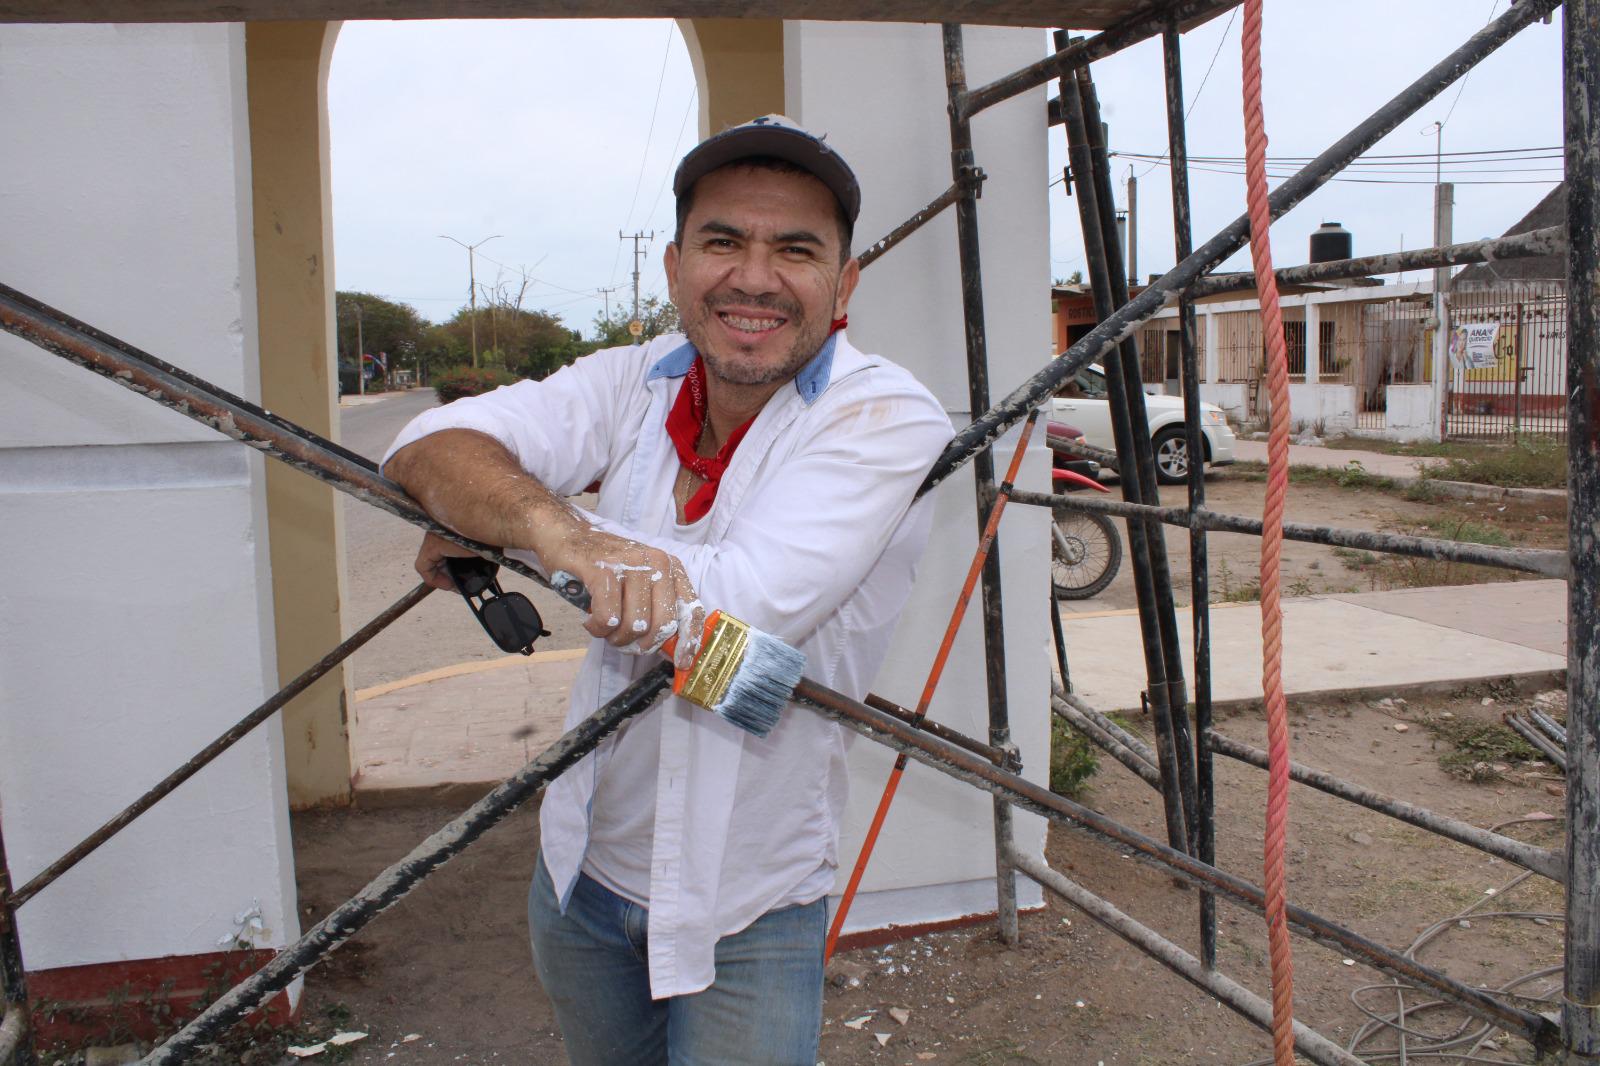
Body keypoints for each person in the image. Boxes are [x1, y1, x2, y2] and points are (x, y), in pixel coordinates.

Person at [382, 114, 952, 1065]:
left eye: (796, 250)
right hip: (581, 878)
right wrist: (547, 522)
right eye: (723, 241)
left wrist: (519, 529)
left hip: (750, 905)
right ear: (676, 263)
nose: (755, 277)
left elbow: (737, 615)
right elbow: (426, 447)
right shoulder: (632, 381)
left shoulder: (887, 414)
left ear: (845, 283)